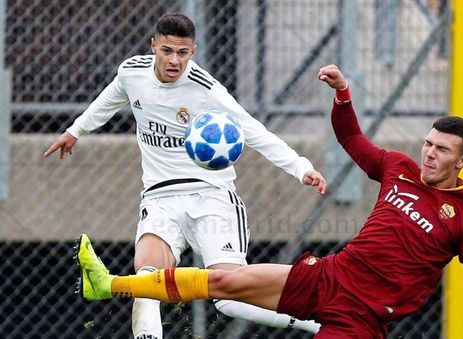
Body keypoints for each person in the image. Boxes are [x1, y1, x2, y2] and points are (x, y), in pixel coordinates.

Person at [75, 64, 463, 339]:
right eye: (428, 143)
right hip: (328, 276)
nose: (429, 154)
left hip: (362, 317)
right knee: (224, 281)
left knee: (227, 290)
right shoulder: (399, 168)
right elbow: (351, 138)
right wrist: (343, 94)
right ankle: (108, 285)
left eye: (441, 150)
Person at [45, 12, 326, 339]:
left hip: (212, 196)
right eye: (167, 51)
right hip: (160, 197)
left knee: (229, 298)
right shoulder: (131, 73)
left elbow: (254, 131)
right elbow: (109, 100)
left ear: (193, 51)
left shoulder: (207, 91)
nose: (174, 60)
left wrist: (300, 167)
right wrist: (75, 131)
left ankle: (319, 324)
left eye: (182, 53)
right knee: (147, 282)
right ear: (153, 46)